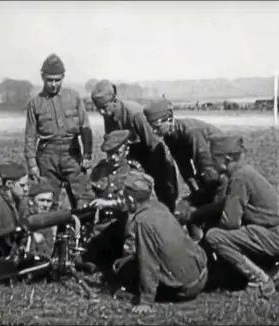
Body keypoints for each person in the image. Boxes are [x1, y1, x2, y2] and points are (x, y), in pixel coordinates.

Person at [201, 135, 279, 297]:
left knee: (214, 236)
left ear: (226, 159)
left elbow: (230, 222)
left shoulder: (239, 178)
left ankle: (261, 282)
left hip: (276, 236)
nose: (212, 162)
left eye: (214, 158)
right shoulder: (246, 173)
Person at [114, 170, 208, 314]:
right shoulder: (159, 206)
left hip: (183, 290)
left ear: (132, 199)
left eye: (126, 197)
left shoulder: (142, 221)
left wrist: (146, 301)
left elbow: (147, 261)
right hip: (201, 276)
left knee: (123, 269)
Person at [91, 80, 178, 213]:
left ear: (114, 101)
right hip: (134, 159)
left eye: (104, 107)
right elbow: (113, 144)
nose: (101, 112)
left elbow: (155, 144)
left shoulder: (135, 114)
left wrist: (160, 174)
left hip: (155, 156)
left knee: (166, 199)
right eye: (98, 109)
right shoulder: (108, 115)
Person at [24, 53, 93, 211]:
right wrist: (32, 164)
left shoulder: (74, 97)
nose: (54, 84)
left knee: (83, 199)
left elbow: (85, 127)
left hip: (73, 153)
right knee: (48, 201)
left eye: (57, 80)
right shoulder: (35, 103)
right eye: (50, 80)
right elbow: (30, 137)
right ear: (42, 77)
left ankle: (83, 233)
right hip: (47, 156)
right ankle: (50, 234)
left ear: (63, 77)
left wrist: (87, 154)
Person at [79, 130, 149, 273]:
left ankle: (127, 263)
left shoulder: (135, 172)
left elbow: (137, 204)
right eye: (110, 153)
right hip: (105, 225)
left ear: (127, 149)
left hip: (126, 226)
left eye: (117, 153)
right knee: (85, 258)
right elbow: (88, 195)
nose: (113, 158)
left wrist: (108, 203)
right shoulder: (100, 170)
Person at [0, 162, 39, 291]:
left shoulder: (17, 200)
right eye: (22, 185)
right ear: (9, 184)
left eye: (27, 185)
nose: (27, 189)